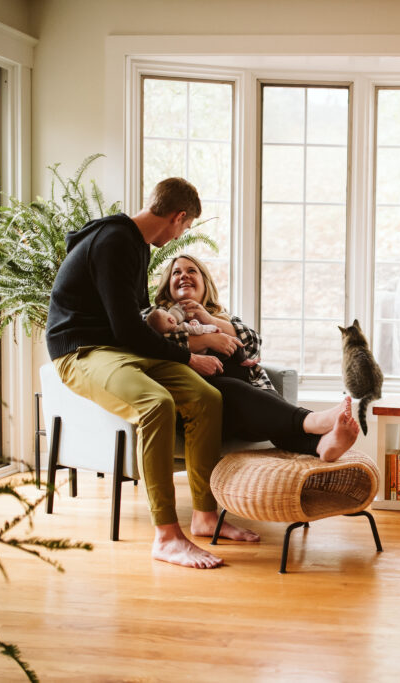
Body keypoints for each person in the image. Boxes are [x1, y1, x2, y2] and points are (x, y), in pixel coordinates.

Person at [45, 177, 258, 570]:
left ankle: (205, 514)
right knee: (155, 403)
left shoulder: (135, 246)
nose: (183, 234)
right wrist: (189, 358)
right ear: (178, 218)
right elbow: (128, 330)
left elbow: (137, 323)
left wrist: (171, 324)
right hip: (81, 351)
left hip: (120, 349)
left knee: (207, 397)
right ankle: (166, 536)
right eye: (187, 227)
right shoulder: (114, 241)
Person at [141, 254, 359, 461]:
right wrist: (207, 341)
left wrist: (211, 320)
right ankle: (312, 420)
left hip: (247, 403)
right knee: (232, 389)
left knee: (264, 403)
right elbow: (151, 345)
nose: (184, 275)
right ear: (167, 284)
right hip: (200, 406)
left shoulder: (223, 317)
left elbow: (254, 345)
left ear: (205, 283)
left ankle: (321, 445)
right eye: (176, 272)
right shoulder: (153, 316)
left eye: (191, 271)